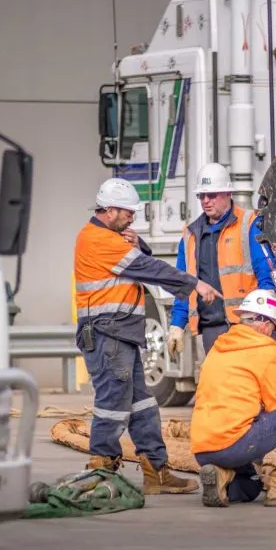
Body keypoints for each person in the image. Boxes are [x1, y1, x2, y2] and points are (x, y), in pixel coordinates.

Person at [74, 177, 222, 495]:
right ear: (110, 210)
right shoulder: (99, 240)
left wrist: (136, 240)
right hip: (107, 334)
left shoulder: (108, 237)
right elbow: (149, 269)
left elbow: (138, 258)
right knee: (113, 403)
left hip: (120, 334)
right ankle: (100, 468)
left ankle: (156, 469)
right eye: (128, 213)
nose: (133, 218)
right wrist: (194, 284)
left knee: (142, 405)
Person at [190, 289, 276, 508]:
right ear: (263, 323)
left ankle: (221, 475)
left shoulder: (220, 345)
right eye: (273, 328)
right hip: (233, 445)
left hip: (203, 449)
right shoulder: (265, 349)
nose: (272, 334)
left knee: (251, 486)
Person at [168, 162, 276, 357]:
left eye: (212, 195)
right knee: (218, 385)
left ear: (228, 194)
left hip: (247, 326)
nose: (206, 201)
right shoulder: (190, 235)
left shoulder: (249, 224)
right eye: (202, 196)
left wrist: (265, 315)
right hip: (211, 331)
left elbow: (266, 273)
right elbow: (183, 285)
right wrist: (177, 324)